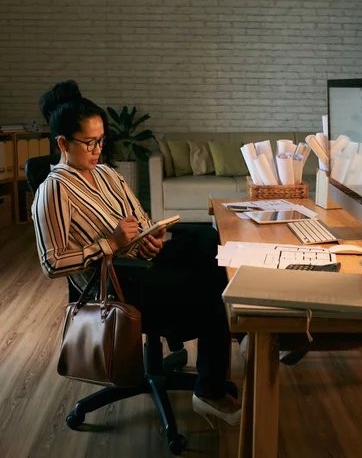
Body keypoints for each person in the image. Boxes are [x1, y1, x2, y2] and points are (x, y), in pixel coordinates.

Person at [32, 80, 241, 427]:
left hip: (142, 262)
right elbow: (52, 263)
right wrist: (110, 244)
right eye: (89, 143)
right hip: (116, 286)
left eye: (101, 140)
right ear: (63, 143)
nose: (98, 149)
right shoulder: (54, 190)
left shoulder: (108, 174)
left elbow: (140, 220)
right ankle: (210, 388)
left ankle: (244, 332)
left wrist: (151, 237)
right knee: (209, 293)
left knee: (209, 242)